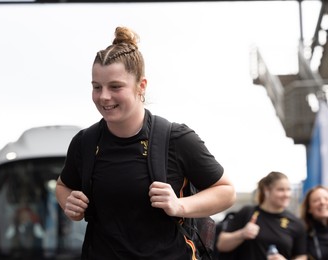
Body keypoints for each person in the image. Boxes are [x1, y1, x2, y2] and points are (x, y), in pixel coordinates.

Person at [55, 26, 236, 260]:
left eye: (115, 87)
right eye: (96, 87)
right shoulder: (85, 142)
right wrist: (69, 205)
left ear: (141, 86)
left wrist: (179, 205)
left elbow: (226, 191)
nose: (103, 97)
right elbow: (62, 186)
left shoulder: (176, 139)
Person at [216, 171, 307, 260]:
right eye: (281, 190)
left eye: (288, 189)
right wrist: (242, 234)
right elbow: (221, 245)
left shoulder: (296, 223)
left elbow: (301, 256)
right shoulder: (248, 212)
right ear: (266, 190)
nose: (286, 194)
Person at [300, 185, 328, 260]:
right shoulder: (302, 234)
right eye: (316, 200)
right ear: (309, 208)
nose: (322, 202)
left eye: (326, 199)